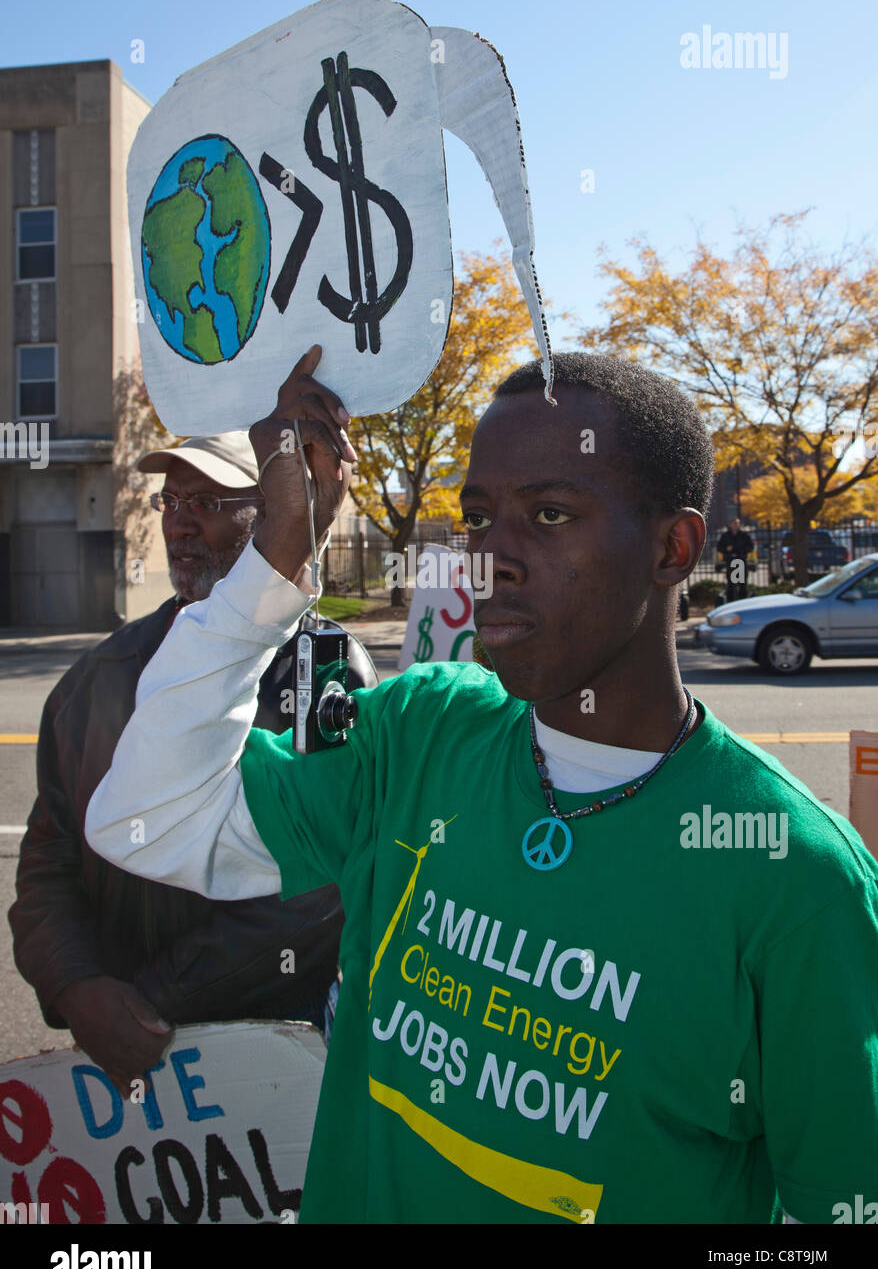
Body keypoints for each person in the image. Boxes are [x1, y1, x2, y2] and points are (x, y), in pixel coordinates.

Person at [86, 348, 878, 1224]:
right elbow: (144, 820)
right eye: (476, 517)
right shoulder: (420, 732)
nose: (489, 558)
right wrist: (274, 560)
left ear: (673, 546)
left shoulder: (798, 880)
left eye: (548, 514)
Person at [9, 429, 377, 1098]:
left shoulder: (323, 671)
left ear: (270, 512)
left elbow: (321, 890)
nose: (179, 523)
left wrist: (149, 1004)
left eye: (207, 501)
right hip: (122, 1055)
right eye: (170, 501)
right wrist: (78, 986)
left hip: (273, 1048)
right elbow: (48, 861)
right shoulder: (96, 677)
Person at [716, 516, 755, 604]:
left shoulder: (744, 535)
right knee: (731, 583)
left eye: (738, 523)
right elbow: (719, 547)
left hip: (740, 560)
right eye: (734, 523)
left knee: (742, 583)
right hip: (731, 560)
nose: (736, 525)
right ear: (730, 524)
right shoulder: (725, 535)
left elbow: (750, 547)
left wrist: (741, 551)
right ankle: (731, 602)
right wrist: (726, 549)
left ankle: (742, 602)